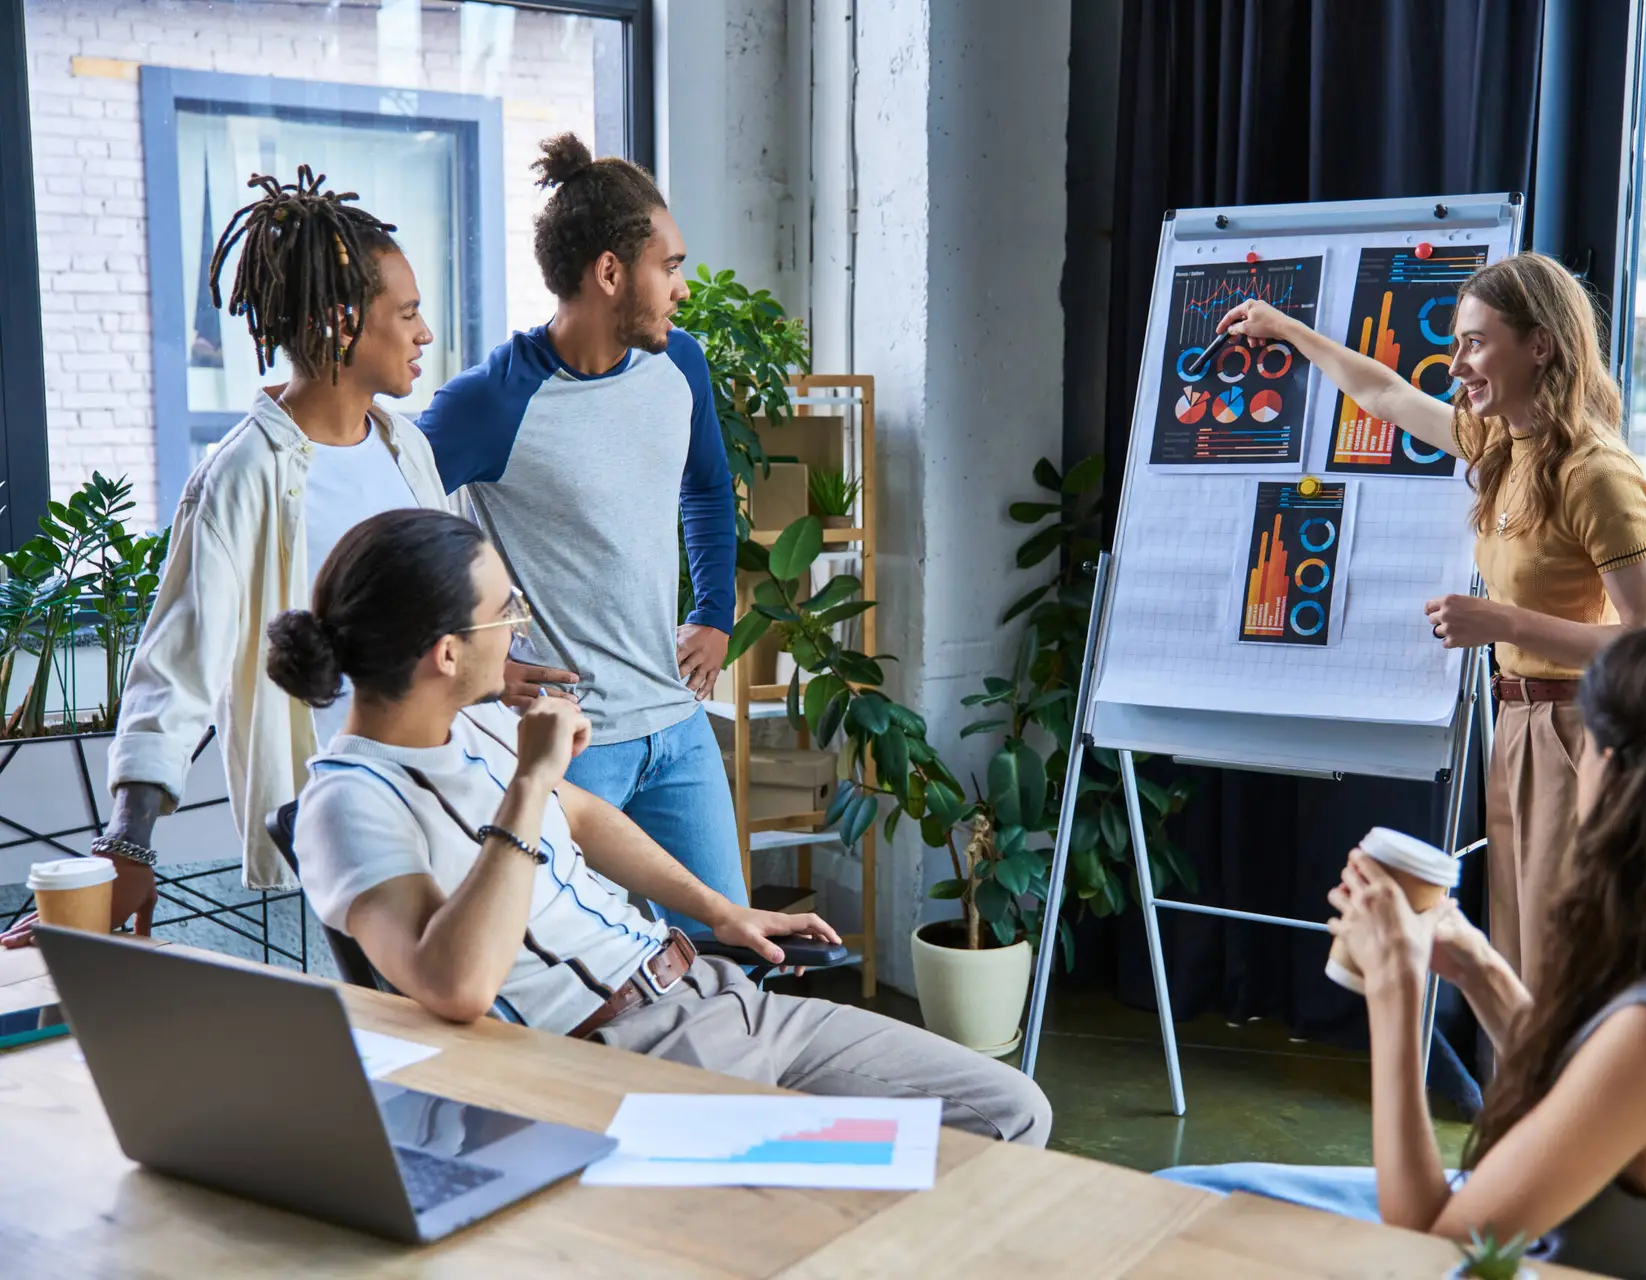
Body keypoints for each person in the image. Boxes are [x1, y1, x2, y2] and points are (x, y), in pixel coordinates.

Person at [265, 508, 1050, 1146]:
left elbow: (585, 814)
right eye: (505, 612)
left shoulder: (476, 725)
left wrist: (722, 912)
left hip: (713, 994)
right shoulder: (347, 806)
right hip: (618, 1061)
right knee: (870, 1188)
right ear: (445, 652)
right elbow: (455, 984)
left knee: (1011, 1112)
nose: (518, 626)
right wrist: (534, 779)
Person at [1161, 625, 1646, 1277]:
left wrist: (1397, 993)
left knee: (1174, 1205)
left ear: (1615, 771)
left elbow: (1427, 1243)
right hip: (1596, 1240)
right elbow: (1596, 1100)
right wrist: (1477, 965)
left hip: (1503, 1256)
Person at [3, 168, 447, 948]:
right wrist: (129, 841)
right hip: (333, 834)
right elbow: (176, 665)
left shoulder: (405, 449)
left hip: (441, 805)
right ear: (344, 322)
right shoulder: (246, 473)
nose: (424, 333)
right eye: (406, 313)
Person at [1217, 253, 1646, 984]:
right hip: (1521, 724)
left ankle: (1565, 1099)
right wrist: (1286, 330)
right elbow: (1385, 394)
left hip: (1585, 729)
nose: (1457, 361)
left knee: (1564, 961)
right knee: (1523, 952)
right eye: (1458, 340)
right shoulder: (1504, 441)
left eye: (1475, 341)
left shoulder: (1596, 472)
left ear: (1540, 345)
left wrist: (1505, 624)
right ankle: (1523, 1099)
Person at [416, 133, 744, 931]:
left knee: (736, 962)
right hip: (568, 747)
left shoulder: (682, 368)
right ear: (609, 272)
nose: (681, 288)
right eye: (668, 267)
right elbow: (394, 539)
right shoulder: (493, 403)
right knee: (556, 982)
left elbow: (705, 486)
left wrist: (714, 610)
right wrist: (484, 671)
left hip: (676, 726)